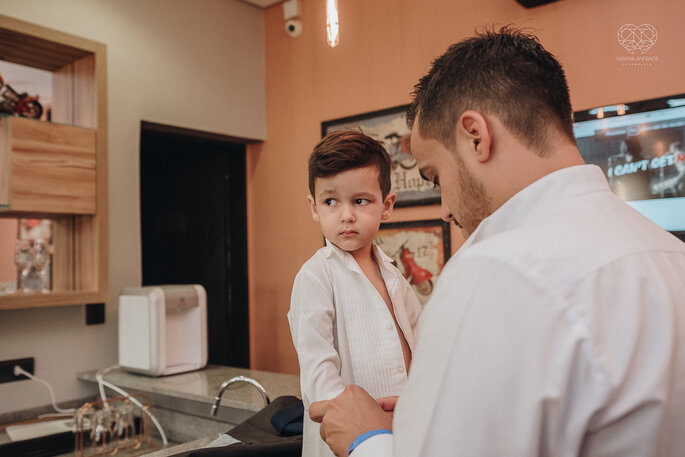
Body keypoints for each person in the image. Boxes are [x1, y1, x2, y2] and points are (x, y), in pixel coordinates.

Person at [309, 26, 685, 457]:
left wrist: (367, 439)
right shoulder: (672, 254)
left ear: (475, 136)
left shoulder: (495, 271)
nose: (446, 209)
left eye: (435, 177)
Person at [288, 130, 423, 457]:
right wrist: (358, 429)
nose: (346, 215)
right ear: (314, 207)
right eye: (331, 201)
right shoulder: (315, 277)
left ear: (386, 205)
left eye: (360, 201)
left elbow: (423, 349)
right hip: (346, 444)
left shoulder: (394, 274)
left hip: (404, 433)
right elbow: (319, 375)